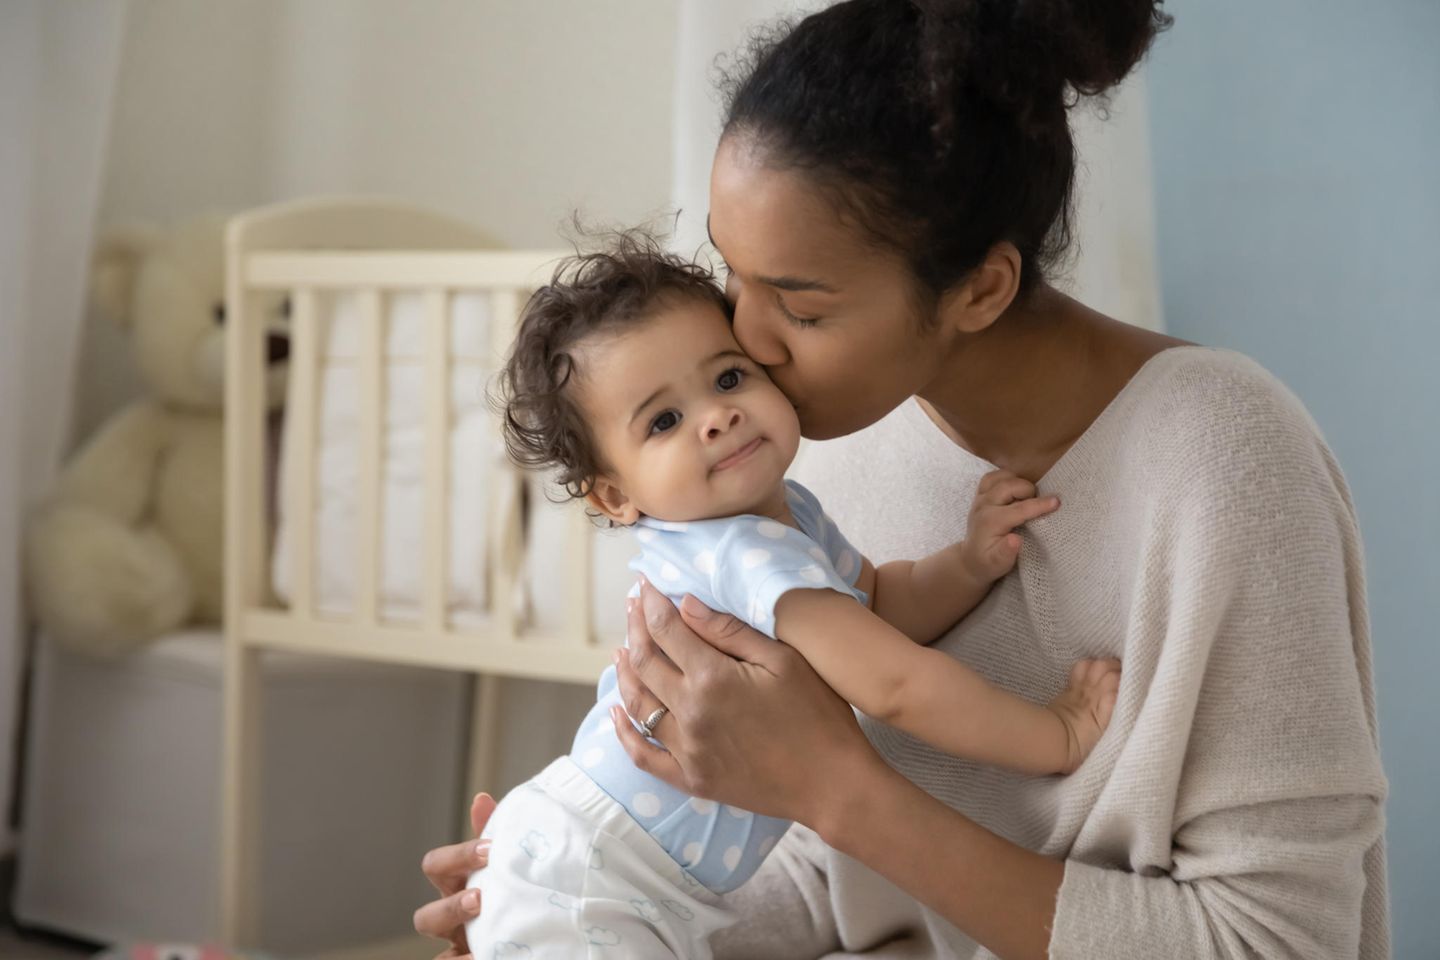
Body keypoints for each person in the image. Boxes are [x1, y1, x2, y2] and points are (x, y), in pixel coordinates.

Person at [415, 1, 1390, 957]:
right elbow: (831, 880)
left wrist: (841, 791)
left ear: (980, 289)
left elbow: (1280, 942)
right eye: (731, 275)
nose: (743, 344)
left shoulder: (1223, 456)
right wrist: (584, 899)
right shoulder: (809, 447)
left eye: (797, 307)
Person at [463, 233, 1119, 957]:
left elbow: (878, 602)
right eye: (664, 421)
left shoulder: (787, 513)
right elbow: (896, 684)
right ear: (619, 495)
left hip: (597, 868)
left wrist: (967, 563)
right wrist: (1052, 735)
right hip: (595, 876)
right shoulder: (742, 554)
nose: (717, 416)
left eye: (728, 378)